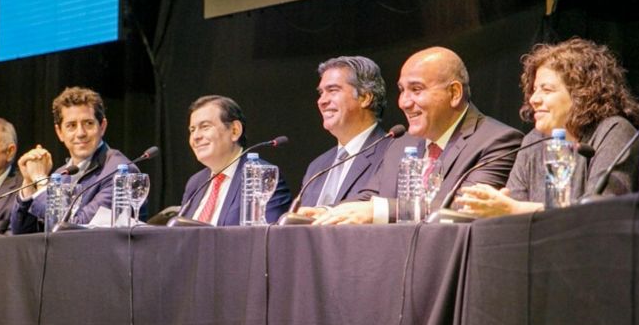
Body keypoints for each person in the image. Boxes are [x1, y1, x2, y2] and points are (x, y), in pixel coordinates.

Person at [309, 46, 524, 224]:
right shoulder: (400, 145)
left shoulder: (497, 141)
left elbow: (465, 206)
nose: (404, 102)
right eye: (402, 90)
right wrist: (328, 211)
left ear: (454, 93)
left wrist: (379, 212)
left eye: (416, 89)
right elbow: (369, 197)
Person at [456, 38, 639, 217]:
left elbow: (601, 209)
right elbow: (513, 211)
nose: (533, 99)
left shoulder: (614, 132)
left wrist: (516, 210)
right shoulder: (533, 142)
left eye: (547, 90)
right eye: (534, 89)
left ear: (582, 94)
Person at [11, 87, 135, 233]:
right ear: (59, 132)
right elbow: (22, 235)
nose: (81, 133)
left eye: (88, 123)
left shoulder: (119, 171)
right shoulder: (61, 174)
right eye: (71, 126)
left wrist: (41, 180)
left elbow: (76, 230)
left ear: (102, 127)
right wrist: (30, 183)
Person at [180, 95, 291, 225]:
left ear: (234, 131)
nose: (196, 136)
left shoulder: (262, 176)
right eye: (192, 130)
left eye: (205, 126)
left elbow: (267, 238)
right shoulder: (195, 183)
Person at [298, 56, 390, 207]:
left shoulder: (391, 153)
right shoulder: (317, 166)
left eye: (332, 90)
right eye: (321, 93)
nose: (322, 101)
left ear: (365, 98)